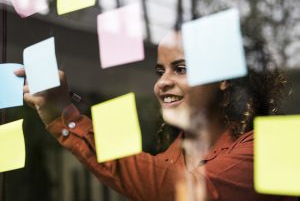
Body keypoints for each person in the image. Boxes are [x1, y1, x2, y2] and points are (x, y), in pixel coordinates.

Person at [15, 31, 297, 201]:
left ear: (222, 78)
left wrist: (66, 117)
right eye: (160, 72)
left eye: (181, 69)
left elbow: (189, 191)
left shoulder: (270, 149)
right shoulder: (167, 160)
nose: (162, 83)